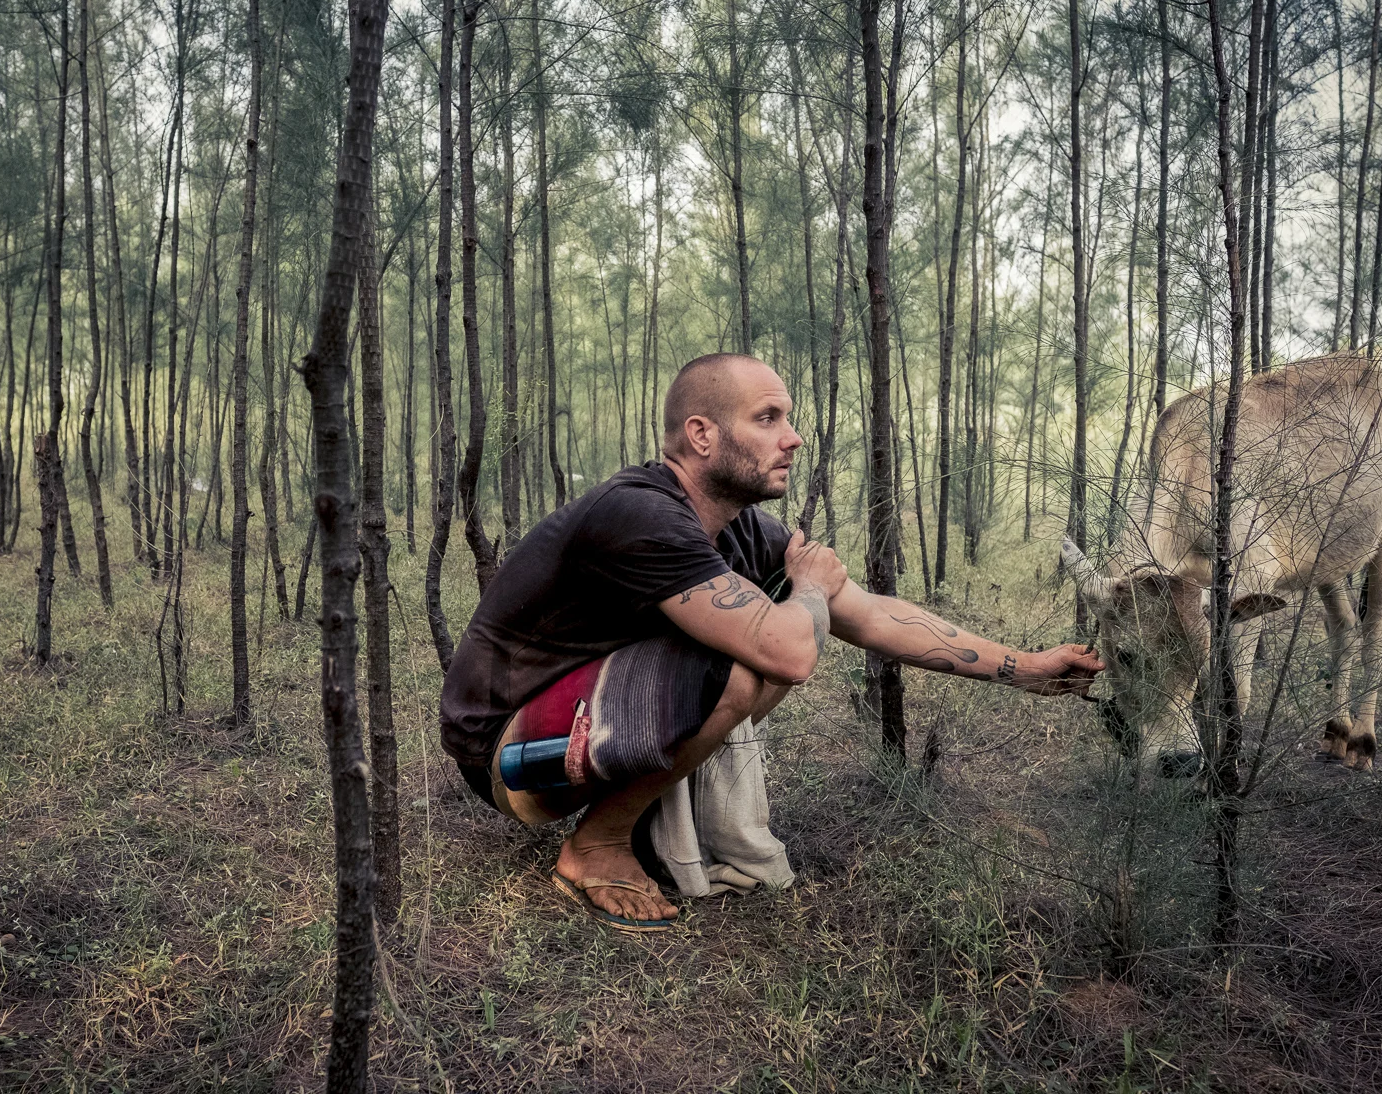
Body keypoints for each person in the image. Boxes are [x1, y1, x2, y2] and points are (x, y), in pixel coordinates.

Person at [440, 353, 1103, 930]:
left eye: (787, 419)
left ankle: (644, 820)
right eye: (768, 418)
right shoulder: (638, 512)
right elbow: (791, 649)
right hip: (507, 756)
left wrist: (1026, 668)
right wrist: (808, 589)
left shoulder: (744, 528)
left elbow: (872, 616)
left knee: (757, 649)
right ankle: (598, 845)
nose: (792, 438)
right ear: (701, 434)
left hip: (580, 726)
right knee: (746, 663)